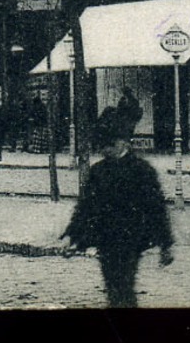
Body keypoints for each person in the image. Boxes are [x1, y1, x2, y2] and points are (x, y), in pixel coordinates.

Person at [62, 109, 174, 308]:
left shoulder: (142, 170)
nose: (105, 150)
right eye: (102, 146)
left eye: (109, 145)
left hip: (132, 239)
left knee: (123, 286)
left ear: (123, 142)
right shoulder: (98, 171)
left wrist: (165, 245)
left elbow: (156, 208)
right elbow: (85, 207)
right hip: (106, 239)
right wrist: (72, 236)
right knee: (114, 287)